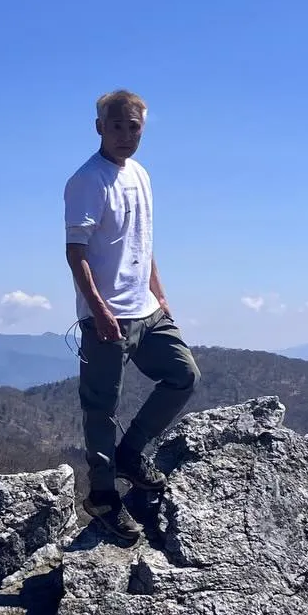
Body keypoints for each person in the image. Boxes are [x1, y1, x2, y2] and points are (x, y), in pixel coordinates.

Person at [64, 89, 199, 545]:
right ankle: (102, 497)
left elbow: (141, 241)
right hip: (108, 316)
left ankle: (130, 453)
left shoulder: (140, 174)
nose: (125, 135)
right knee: (101, 408)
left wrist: (158, 294)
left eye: (133, 127)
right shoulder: (87, 181)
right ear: (99, 126)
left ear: (144, 129)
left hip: (146, 310)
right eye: (116, 125)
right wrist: (99, 310)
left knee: (183, 375)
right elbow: (76, 253)